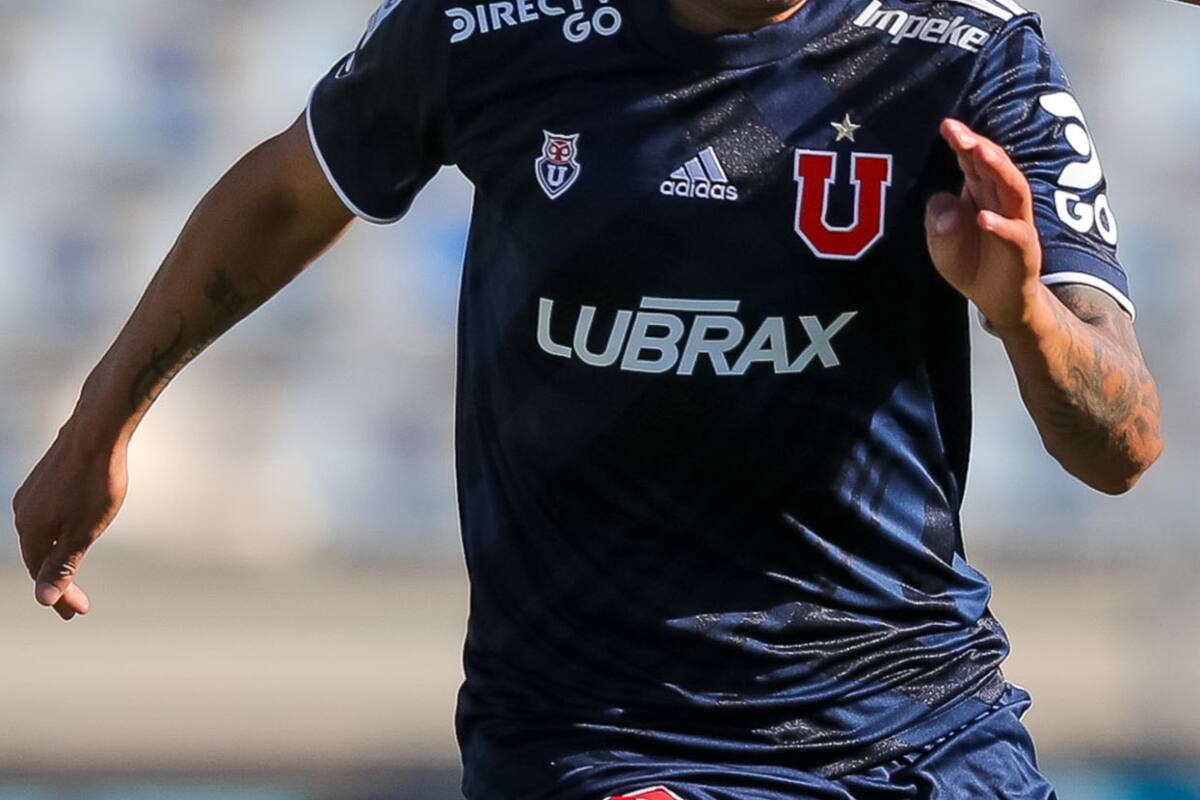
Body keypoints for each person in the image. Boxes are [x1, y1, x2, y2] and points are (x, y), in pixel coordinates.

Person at [13, 0, 1163, 797]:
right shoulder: (492, 26)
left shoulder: (965, 60)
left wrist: (1025, 314)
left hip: (921, 724)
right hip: (605, 733)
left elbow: (1124, 445)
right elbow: (286, 192)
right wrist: (99, 422)